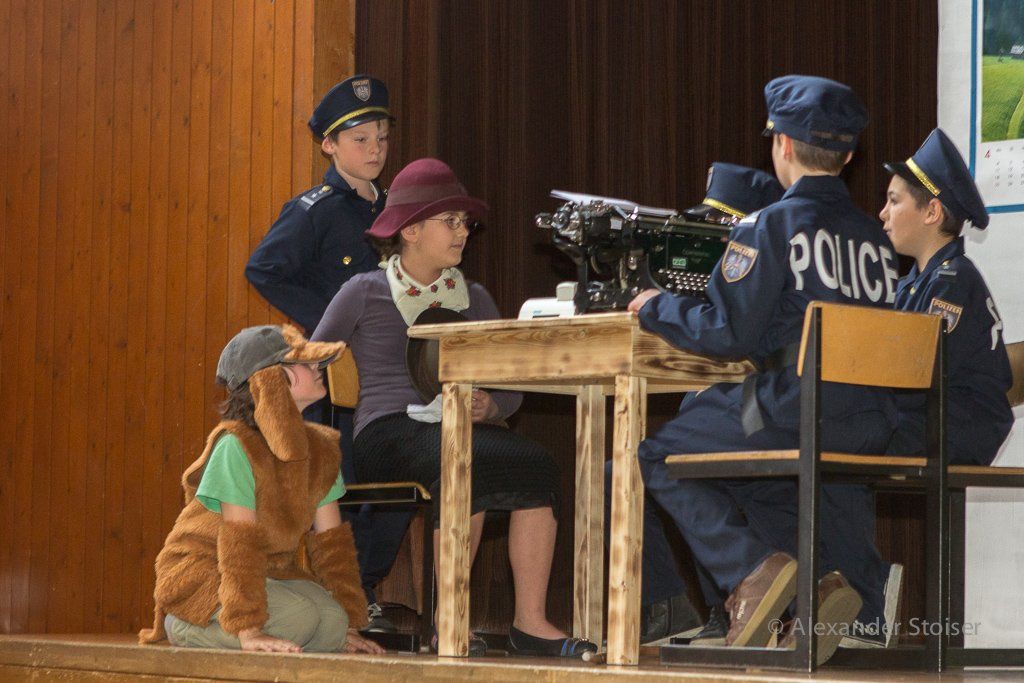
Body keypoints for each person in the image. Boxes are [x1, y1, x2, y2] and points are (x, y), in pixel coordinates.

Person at [625, 75, 901, 664]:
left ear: (782, 144)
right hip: (873, 418)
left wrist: (655, 307)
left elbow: (729, 333)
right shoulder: (876, 239)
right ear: (848, 156)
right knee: (765, 475)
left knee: (658, 454)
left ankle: (752, 571)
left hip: (797, 406)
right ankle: (824, 589)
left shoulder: (771, 224)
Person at [311, 157, 597, 658]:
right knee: (465, 459)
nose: (463, 231)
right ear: (411, 230)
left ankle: (529, 622)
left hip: (462, 427)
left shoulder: (474, 297)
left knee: (539, 464)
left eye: (466, 222)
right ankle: (450, 618)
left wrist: (492, 406)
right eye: (451, 221)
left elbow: (512, 388)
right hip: (386, 432)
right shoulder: (364, 291)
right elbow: (312, 358)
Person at [835, 128, 1014, 649]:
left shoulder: (952, 281)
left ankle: (865, 601)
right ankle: (850, 592)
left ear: (932, 212)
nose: (882, 213)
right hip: (929, 417)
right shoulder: (916, 282)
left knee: (839, 442)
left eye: (894, 201)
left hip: (955, 427)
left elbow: (909, 374)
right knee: (831, 437)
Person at [245, 74, 406, 630]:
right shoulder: (313, 210)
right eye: (360, 139)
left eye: (382, 138)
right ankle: (348, 599)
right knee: (345, 484)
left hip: (393, 374)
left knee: (395, 484)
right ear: (329, 145)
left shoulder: (396, 210)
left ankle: (362, 589)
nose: (374, 150)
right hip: (339, 377)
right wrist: (331, 326)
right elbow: (264, 268)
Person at [609, 162, 785, 646]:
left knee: (682, 463)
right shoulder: (703, 294)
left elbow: (736, 341)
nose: (712, 244)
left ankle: (743, 596)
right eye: (705, 230)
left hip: (768, 423)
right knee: (617, 471)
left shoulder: (760, 291)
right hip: (736, 421)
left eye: (723, 231)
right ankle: (673, 610)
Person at [139, 325, 383, 654]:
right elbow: (239, 545)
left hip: (269, 574)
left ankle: (272, 629)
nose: (318, 368)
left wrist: (349, 626)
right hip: (203, 572)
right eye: (304, 363)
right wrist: (249, 630)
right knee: (299, 617)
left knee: (331, 623)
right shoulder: (236, 446)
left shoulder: (322, 451)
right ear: (270, 379)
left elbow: (333, 545)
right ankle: (181, 624)